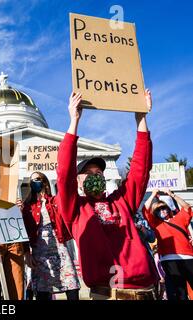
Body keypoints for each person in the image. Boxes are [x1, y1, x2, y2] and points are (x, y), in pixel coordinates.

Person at [56, 90, 159, 300]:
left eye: (99, 173)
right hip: (107, 293)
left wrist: (141, 120)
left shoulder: (121, 201)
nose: (95, 176)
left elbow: (140, 169)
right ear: (78, 180)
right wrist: (74, 121)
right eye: (88, 173)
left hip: (144, 290)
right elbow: (64, 173)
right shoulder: (75, 210)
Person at [17, 171, 80, 300]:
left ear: (45, 182)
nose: (35, 182)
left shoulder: (56, 201)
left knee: (71, 285)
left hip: (59, 247)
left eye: (38, 179)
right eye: (32, 181)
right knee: (42, 291)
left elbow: (67, 190)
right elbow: (23, 231)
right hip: (39, 253)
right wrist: (26, 253)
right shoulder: (28, 207)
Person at [143, 188, 193, 300]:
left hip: (188, 257)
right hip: (169, 260)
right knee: (179, 293)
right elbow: (145, 209)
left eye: (164, 207)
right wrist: (153, 195)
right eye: (158, 209)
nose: (162, 210)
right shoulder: (155, 223)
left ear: (168, 208)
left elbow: (187, 207)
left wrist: (172, 194)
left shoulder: (179, 219)